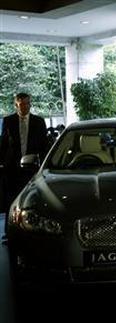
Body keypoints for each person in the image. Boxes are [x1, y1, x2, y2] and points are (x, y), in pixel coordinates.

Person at [0, 93, 49, 240]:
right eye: (21, 104)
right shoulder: (8, 121)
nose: (25, 107)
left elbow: (44, 145)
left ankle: (33, 232)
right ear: (16, 105)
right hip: (12, 168)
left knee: (33, 200)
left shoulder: (39, 122)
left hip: (32, 167)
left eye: (27, 103)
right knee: (11, 200)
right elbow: (3, 143)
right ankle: (9, 234)